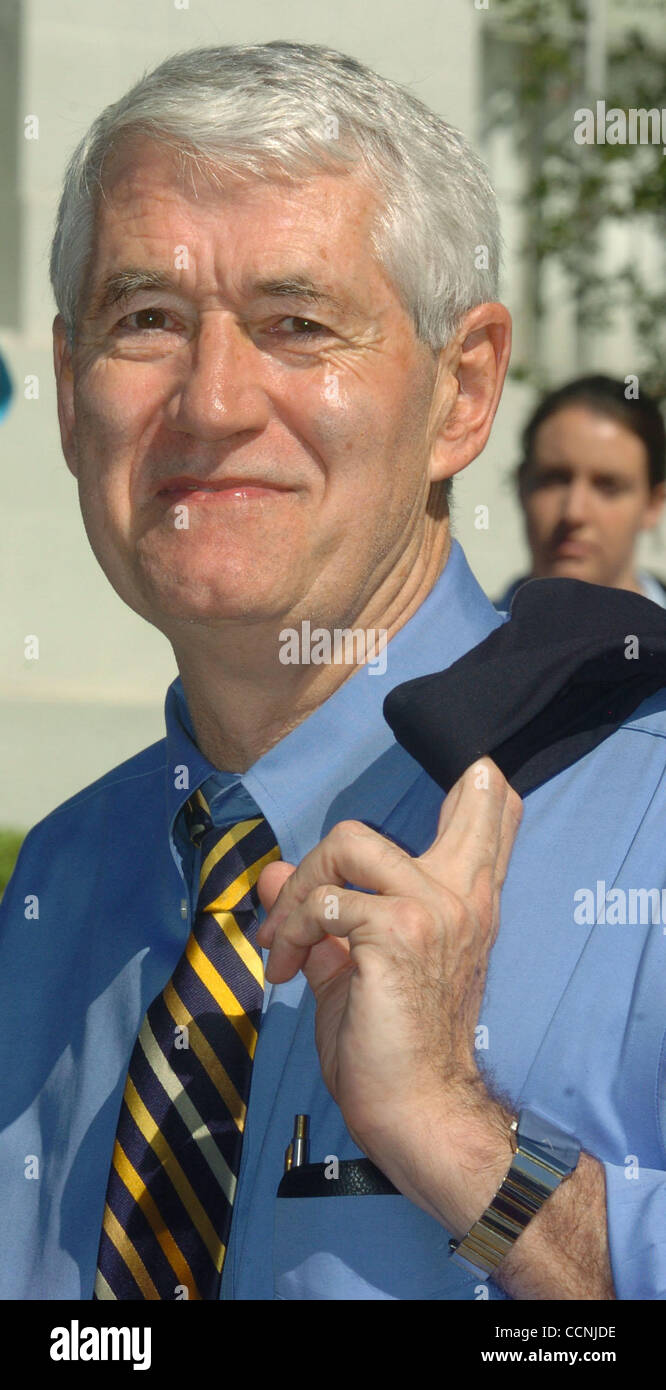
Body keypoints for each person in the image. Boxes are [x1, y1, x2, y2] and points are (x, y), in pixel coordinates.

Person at [1, 41, 666, 1302]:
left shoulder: (650, 822)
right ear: (71, 392)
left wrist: (468, 1142)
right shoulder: (64, 884)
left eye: (296, 324)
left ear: (463, 393)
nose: (210, 402)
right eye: (145, 318)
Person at [496, 375, 666, 610]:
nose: (574, 512)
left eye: (608, 486)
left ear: (653, 504)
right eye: (554, 480)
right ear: (521, 486)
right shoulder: (466, 643)